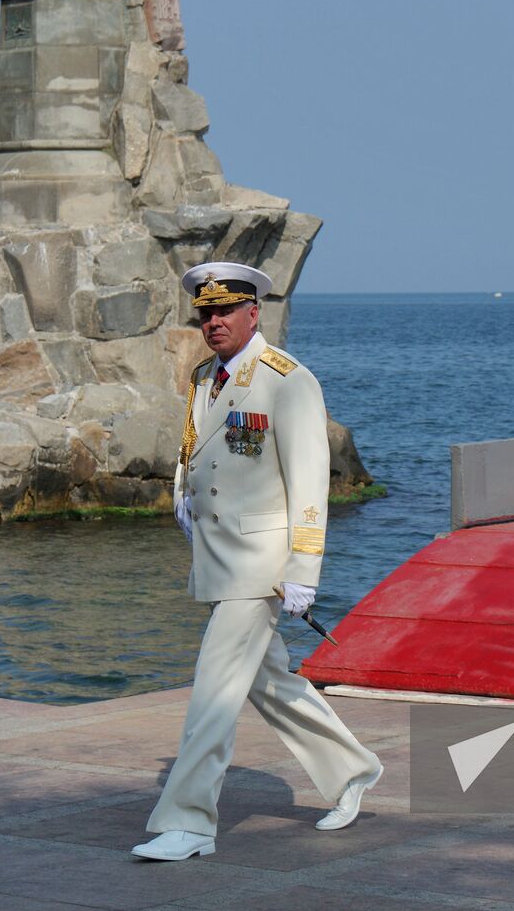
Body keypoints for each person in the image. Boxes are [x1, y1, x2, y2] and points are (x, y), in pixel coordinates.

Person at [132, 262, 382, 861]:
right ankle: (351, 770)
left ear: (254, 313)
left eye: (224, 311)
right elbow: (197, 446)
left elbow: (309, 482)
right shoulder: (204, 377)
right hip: (220, 557)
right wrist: (180, 492)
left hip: (262, 565)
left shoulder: (287, 381)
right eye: (204, 313)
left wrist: (303, 569)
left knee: (214, 690)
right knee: (268, 683)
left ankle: (189, 822)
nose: (213, 322)